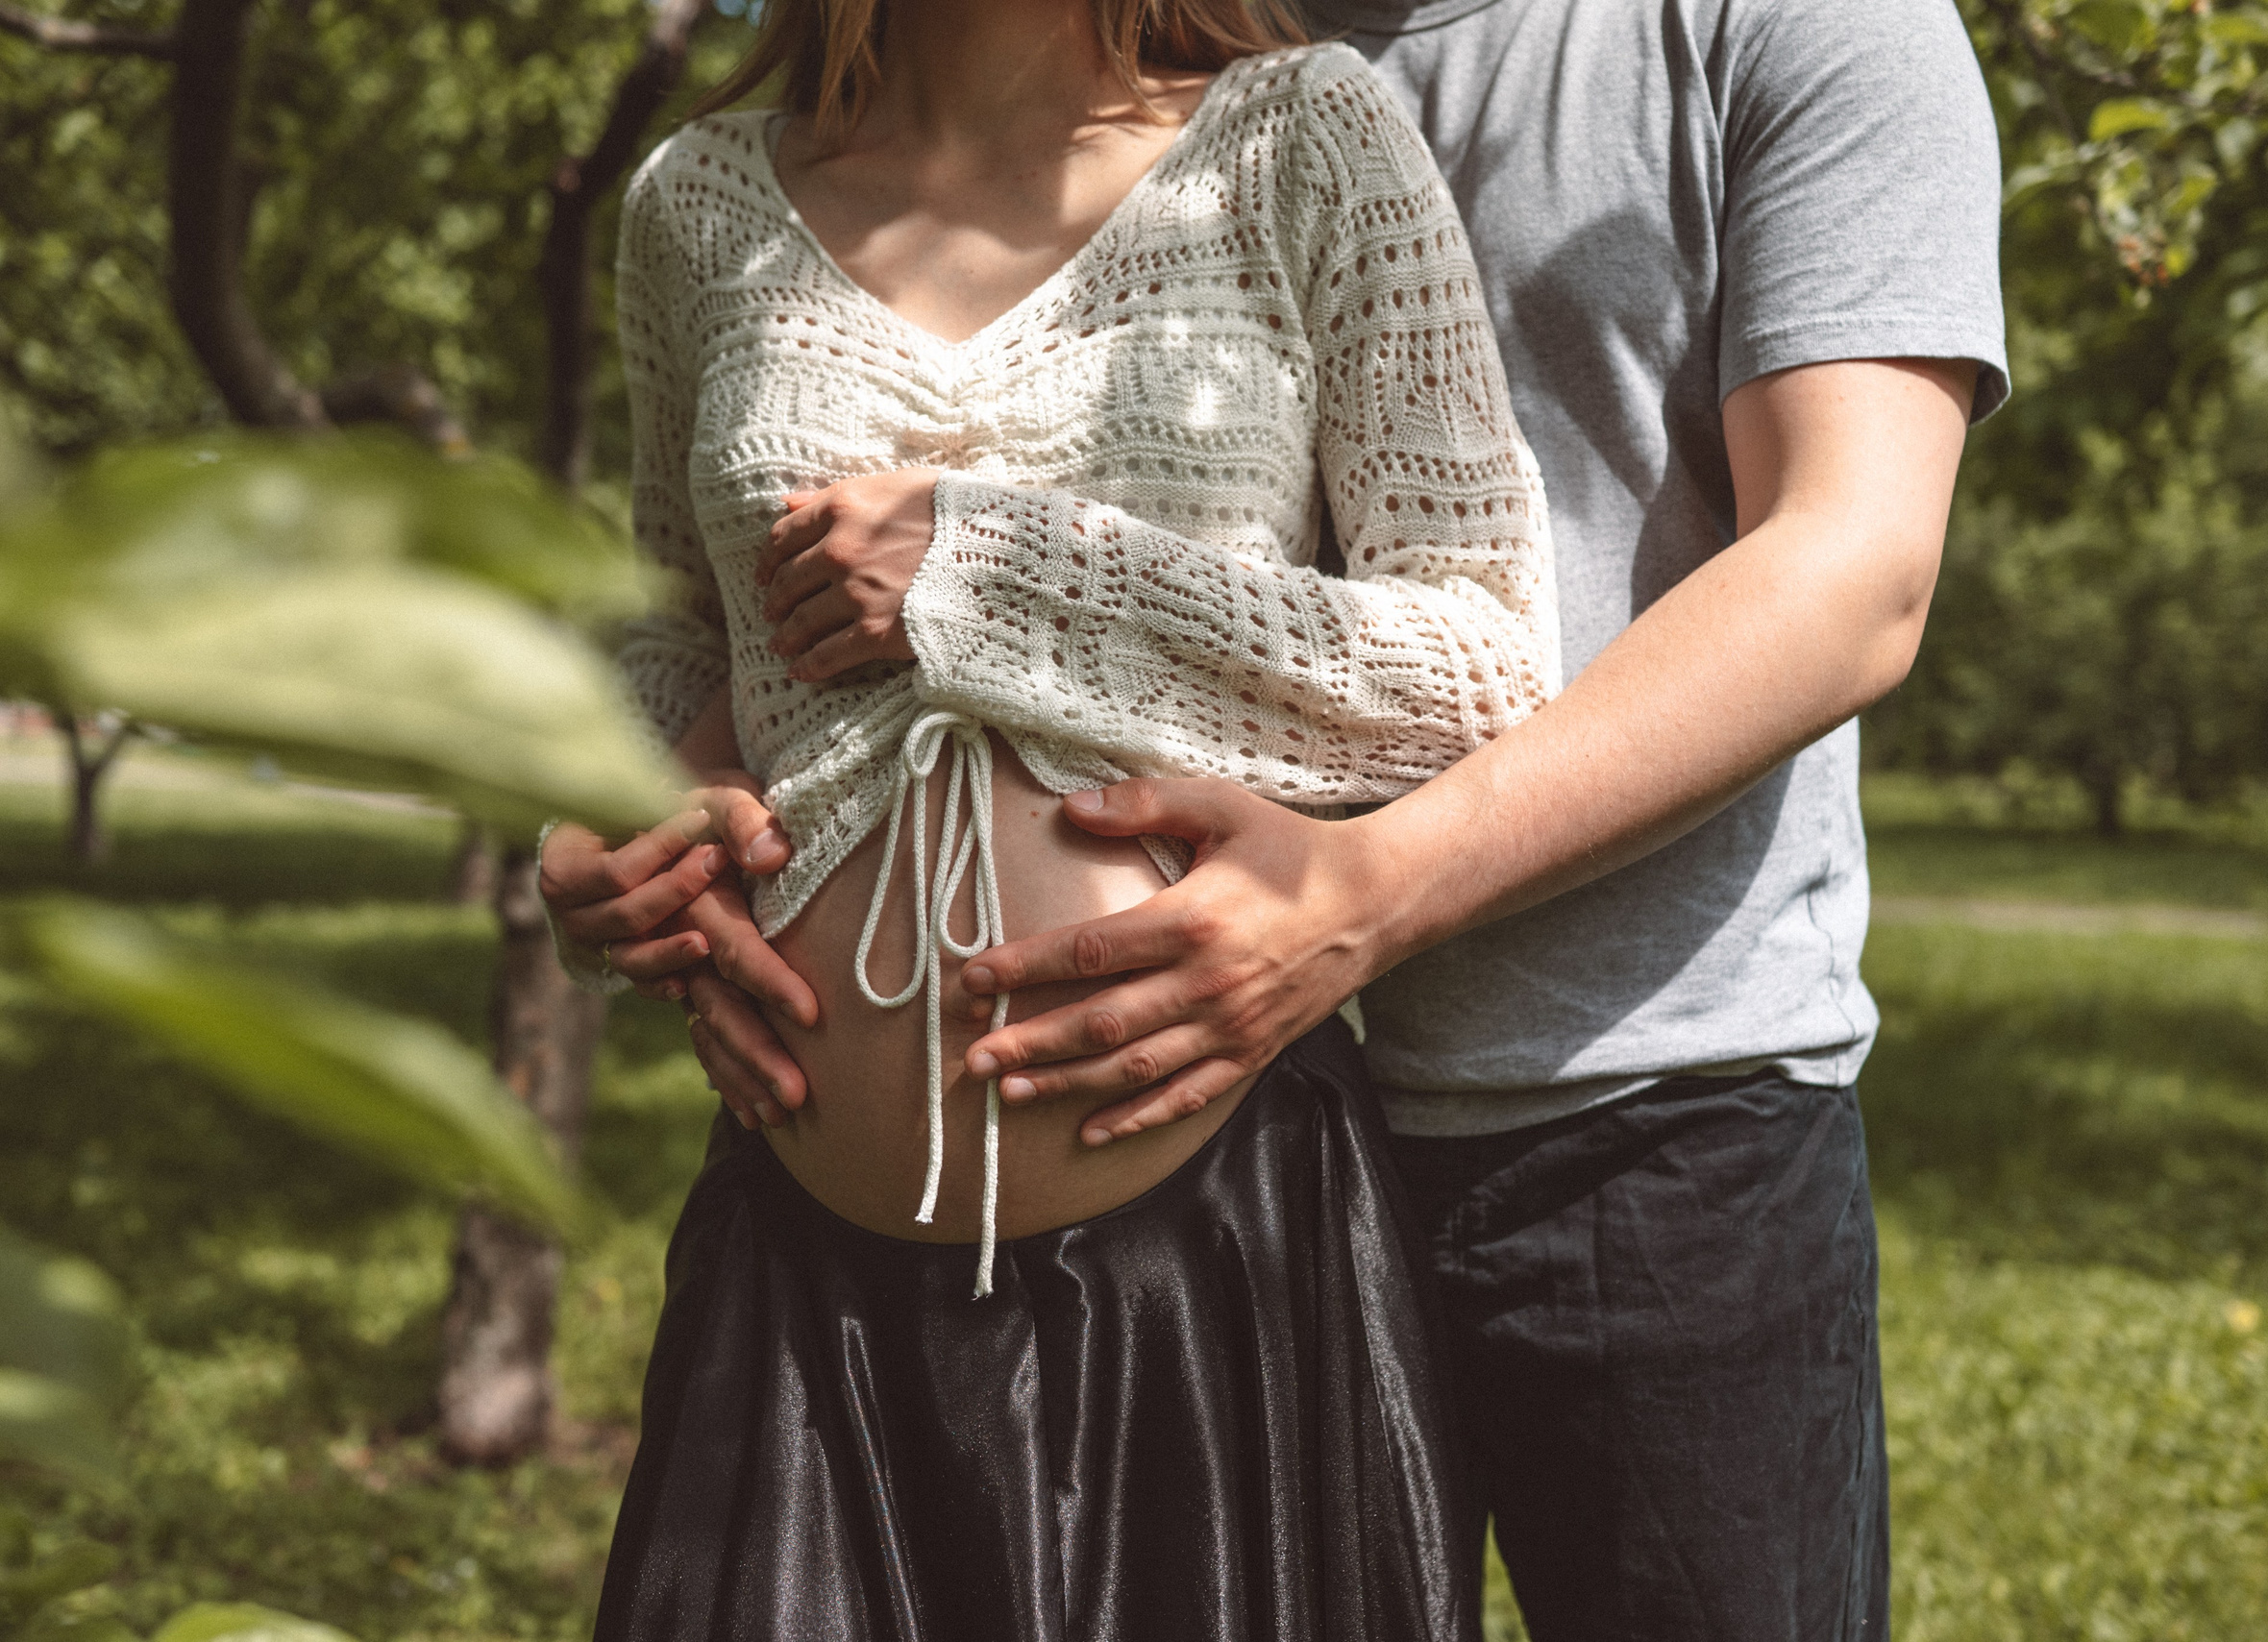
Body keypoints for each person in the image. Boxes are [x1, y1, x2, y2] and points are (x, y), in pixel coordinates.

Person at [581, 1, 2010, 1636]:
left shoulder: (1775, 22)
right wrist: (639, 812)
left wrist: (1361, 895)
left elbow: (1854, 578)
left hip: (1632, 1102)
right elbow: (712, 640)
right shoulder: (1160, 45)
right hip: (1199, 1146)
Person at [545, 2, 1565, 1636]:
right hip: (805, 1270)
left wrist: (1008, 573)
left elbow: (1487, 666)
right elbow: (679, 632)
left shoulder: (1305, 138)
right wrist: (614, 832)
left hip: (1213, 1258)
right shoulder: (697, 204)